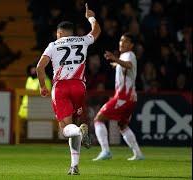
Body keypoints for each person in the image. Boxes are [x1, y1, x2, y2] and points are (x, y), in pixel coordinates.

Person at [36, 4, 101, 175]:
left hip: (61, 87)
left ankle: (79, 131)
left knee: (65, 128)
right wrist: (91, 17)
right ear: (71, 32)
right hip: (79, 86)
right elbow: (96, 32)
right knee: (74, 124)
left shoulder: (53, 45)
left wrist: (43, 86)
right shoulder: (82, 40)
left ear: (59, 33)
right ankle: (74, 166)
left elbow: (39, 67)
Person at [93, 33, 145, 161]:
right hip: (131, 98)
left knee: (98, 119)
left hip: (123, 97)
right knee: (123, 126)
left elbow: (128, 65)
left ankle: (106, 151)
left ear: (131, 45)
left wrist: (114, 59)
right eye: (121, 40)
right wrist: (116, 64)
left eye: (126, 41)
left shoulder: (129, 55)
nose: (122, 43)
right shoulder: (125, 56)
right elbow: (127, 67)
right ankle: (138, 153)